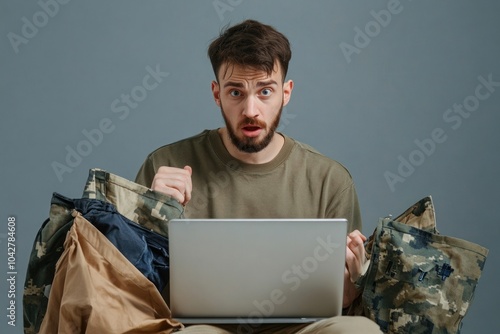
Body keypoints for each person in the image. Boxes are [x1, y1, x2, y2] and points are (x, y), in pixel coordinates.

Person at [135, 19, 381, 334]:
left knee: (360, 331)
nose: (251, 109)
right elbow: (131, 284)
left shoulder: (329, 179)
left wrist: (353, 286)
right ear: (216, 94)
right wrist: (152, 212)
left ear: (286, 93)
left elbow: (345, 299)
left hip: (299, 329)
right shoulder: (165, 164)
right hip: (201, 327)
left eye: (265, 91)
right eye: (236, 92)